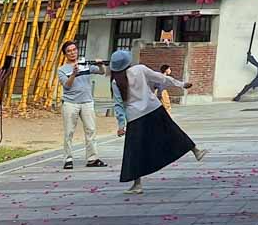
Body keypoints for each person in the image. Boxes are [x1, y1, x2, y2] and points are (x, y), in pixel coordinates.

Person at [109, 49, 207, 194]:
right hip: (153, 108)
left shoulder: (115, 82)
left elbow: (118, 104)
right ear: (128, 62)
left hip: (135, 117)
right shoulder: (140, 69)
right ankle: (196, 151)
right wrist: (180, 84)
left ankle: (137, 185)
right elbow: (161, 78)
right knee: (173, 132)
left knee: (135, 151)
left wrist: (121, 124)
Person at [56, 39, 106, 171]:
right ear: (65, 54)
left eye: (74, 50)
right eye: (69, 51)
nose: (72, 53)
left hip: (87, 101)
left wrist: (100, 64)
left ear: (77, 51)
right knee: (69, 132)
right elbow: (67, 86)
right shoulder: (61, 69)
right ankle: (68, 159)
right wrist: (73, 74)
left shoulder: (85, 63)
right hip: (70, 103)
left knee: (91, 130)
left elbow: (101, 72)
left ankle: (92, 158)